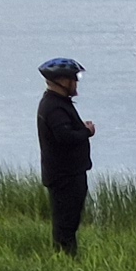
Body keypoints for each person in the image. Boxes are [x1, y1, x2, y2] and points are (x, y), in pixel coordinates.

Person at [35, 55, 94, 254]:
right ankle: (66, 259)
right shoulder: (53, 107)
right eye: (73, 78)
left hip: (70, 173)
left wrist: (80, 128)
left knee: (69, 222)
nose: (76, 82)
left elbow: (64, 130)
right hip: (64, 176)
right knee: (65, 225)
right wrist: (86, 131)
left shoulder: (58, 103)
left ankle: (66, 257)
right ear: (61, 81)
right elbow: (64, 136)